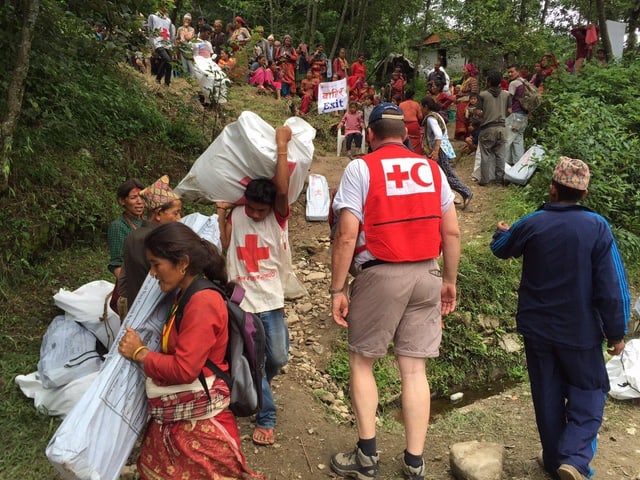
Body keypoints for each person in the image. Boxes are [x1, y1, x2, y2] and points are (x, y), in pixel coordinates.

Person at [329, 102, 461, 480]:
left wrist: (338, 288)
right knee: (414, 370)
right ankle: (414, 462)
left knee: (362, 361)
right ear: (406, 135)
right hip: (427, 274)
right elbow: (451, 232)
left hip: (381, 273)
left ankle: (367, 457)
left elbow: (346, 234)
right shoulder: (432, 169)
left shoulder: (361, 167)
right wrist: (448, 281)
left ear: (370, 135)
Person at [490, 157, 629, 480]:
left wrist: (501, 233)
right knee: (590, 390)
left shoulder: (533, 222)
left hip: (536, 330)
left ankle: (557, 461)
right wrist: (616, 333)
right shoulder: (596, 227)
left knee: (547, 394)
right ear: (584, 194)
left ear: (552, 190)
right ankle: (575, 459)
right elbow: (613, 287)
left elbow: (502, 249)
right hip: (580, 331)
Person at [117, 222, 264, 480]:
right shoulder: (184, 293)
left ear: (182, 262)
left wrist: (140, 352)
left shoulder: (202, 301)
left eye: (156, 264)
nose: (152, 273)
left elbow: (185, 369)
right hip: (181, 418)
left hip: (199, 423)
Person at [217, 126, 295, 448]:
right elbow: (225, 246)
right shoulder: (236, 213)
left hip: (271, 298)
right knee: (254, 359)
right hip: (241, 301)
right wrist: (222, 215)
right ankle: (267, 416)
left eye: (260, 210)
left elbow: (281, 188)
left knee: (276, 358)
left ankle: (259, 384)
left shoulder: (278, 215)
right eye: (252, 208)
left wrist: (281, 146)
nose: (256, 214)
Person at [117, 175, 182, 315]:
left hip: (135, 309)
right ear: (158, 214)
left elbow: (125, 280)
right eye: (175, 213)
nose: (179, 219)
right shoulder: (159, 241)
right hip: (155, 311)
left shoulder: (133, 237)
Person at [421, 96, 473, 209]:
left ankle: (465, 192)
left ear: (425, 106)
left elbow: (438, 134)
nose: (421, 110)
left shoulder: (430, 118)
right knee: (445, 174)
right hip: (444, 147)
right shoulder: (437, 115)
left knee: (444, 175)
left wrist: (435, 151)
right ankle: (450, 196)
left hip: (440, 149)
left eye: (422, 107)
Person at [107, 178, 146, 285]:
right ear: (122, 201)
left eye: (142, 197)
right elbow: (117, 264)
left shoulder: (147, 221)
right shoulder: (118, 226)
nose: (139, 201)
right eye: (133, 197)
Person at [477, 70, 511, 186]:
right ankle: (499, 180)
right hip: (502, 128)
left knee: (485, 154)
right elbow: (510, 111)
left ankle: (485, 180)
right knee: (500, 155)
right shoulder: (506, 95)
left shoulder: (483, 95)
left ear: (489, 81)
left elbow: (479, 112)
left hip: (488, 128)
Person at [504, 64, 529, 166]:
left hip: (515, 115)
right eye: (508, 72)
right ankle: (519, 166)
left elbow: (509, 99)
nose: (510, 74)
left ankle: (505, 166)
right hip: (523, 116)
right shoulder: (525, 82)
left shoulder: (513, 83)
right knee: (518, 140)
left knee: (507, 140)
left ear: (517, 71)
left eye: (512, 71)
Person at [147, 2, 176, 86]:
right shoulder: (152, 17)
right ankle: (158, 79)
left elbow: (170, 33)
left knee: (169, 64)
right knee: (167, 60)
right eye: (164, 6)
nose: (166, 8)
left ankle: (166, 83)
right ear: (159, 6)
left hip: (167, 43)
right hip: (157, 42)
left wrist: (172, 46)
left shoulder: (168, 20)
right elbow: (150, 31)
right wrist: (152, 45)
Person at [454, 63, 479, 140]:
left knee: (465, 117)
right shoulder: (465, 80)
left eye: (464, 70)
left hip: (467, 101)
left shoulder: (473, 80)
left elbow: (474, 93)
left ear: (469, 71)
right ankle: (461, 133)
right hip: (462, 101)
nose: (463, 71)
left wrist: (467, 100)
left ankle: (466, 134)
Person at [399, 88, 424, 153]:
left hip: (404, 125)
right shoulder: (416, 104)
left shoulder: (401, 104)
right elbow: (420, 117)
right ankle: (416, 155)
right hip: (414, 124)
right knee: (416, 142)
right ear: (413, 96)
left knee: (403, 141)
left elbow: (399, 116)